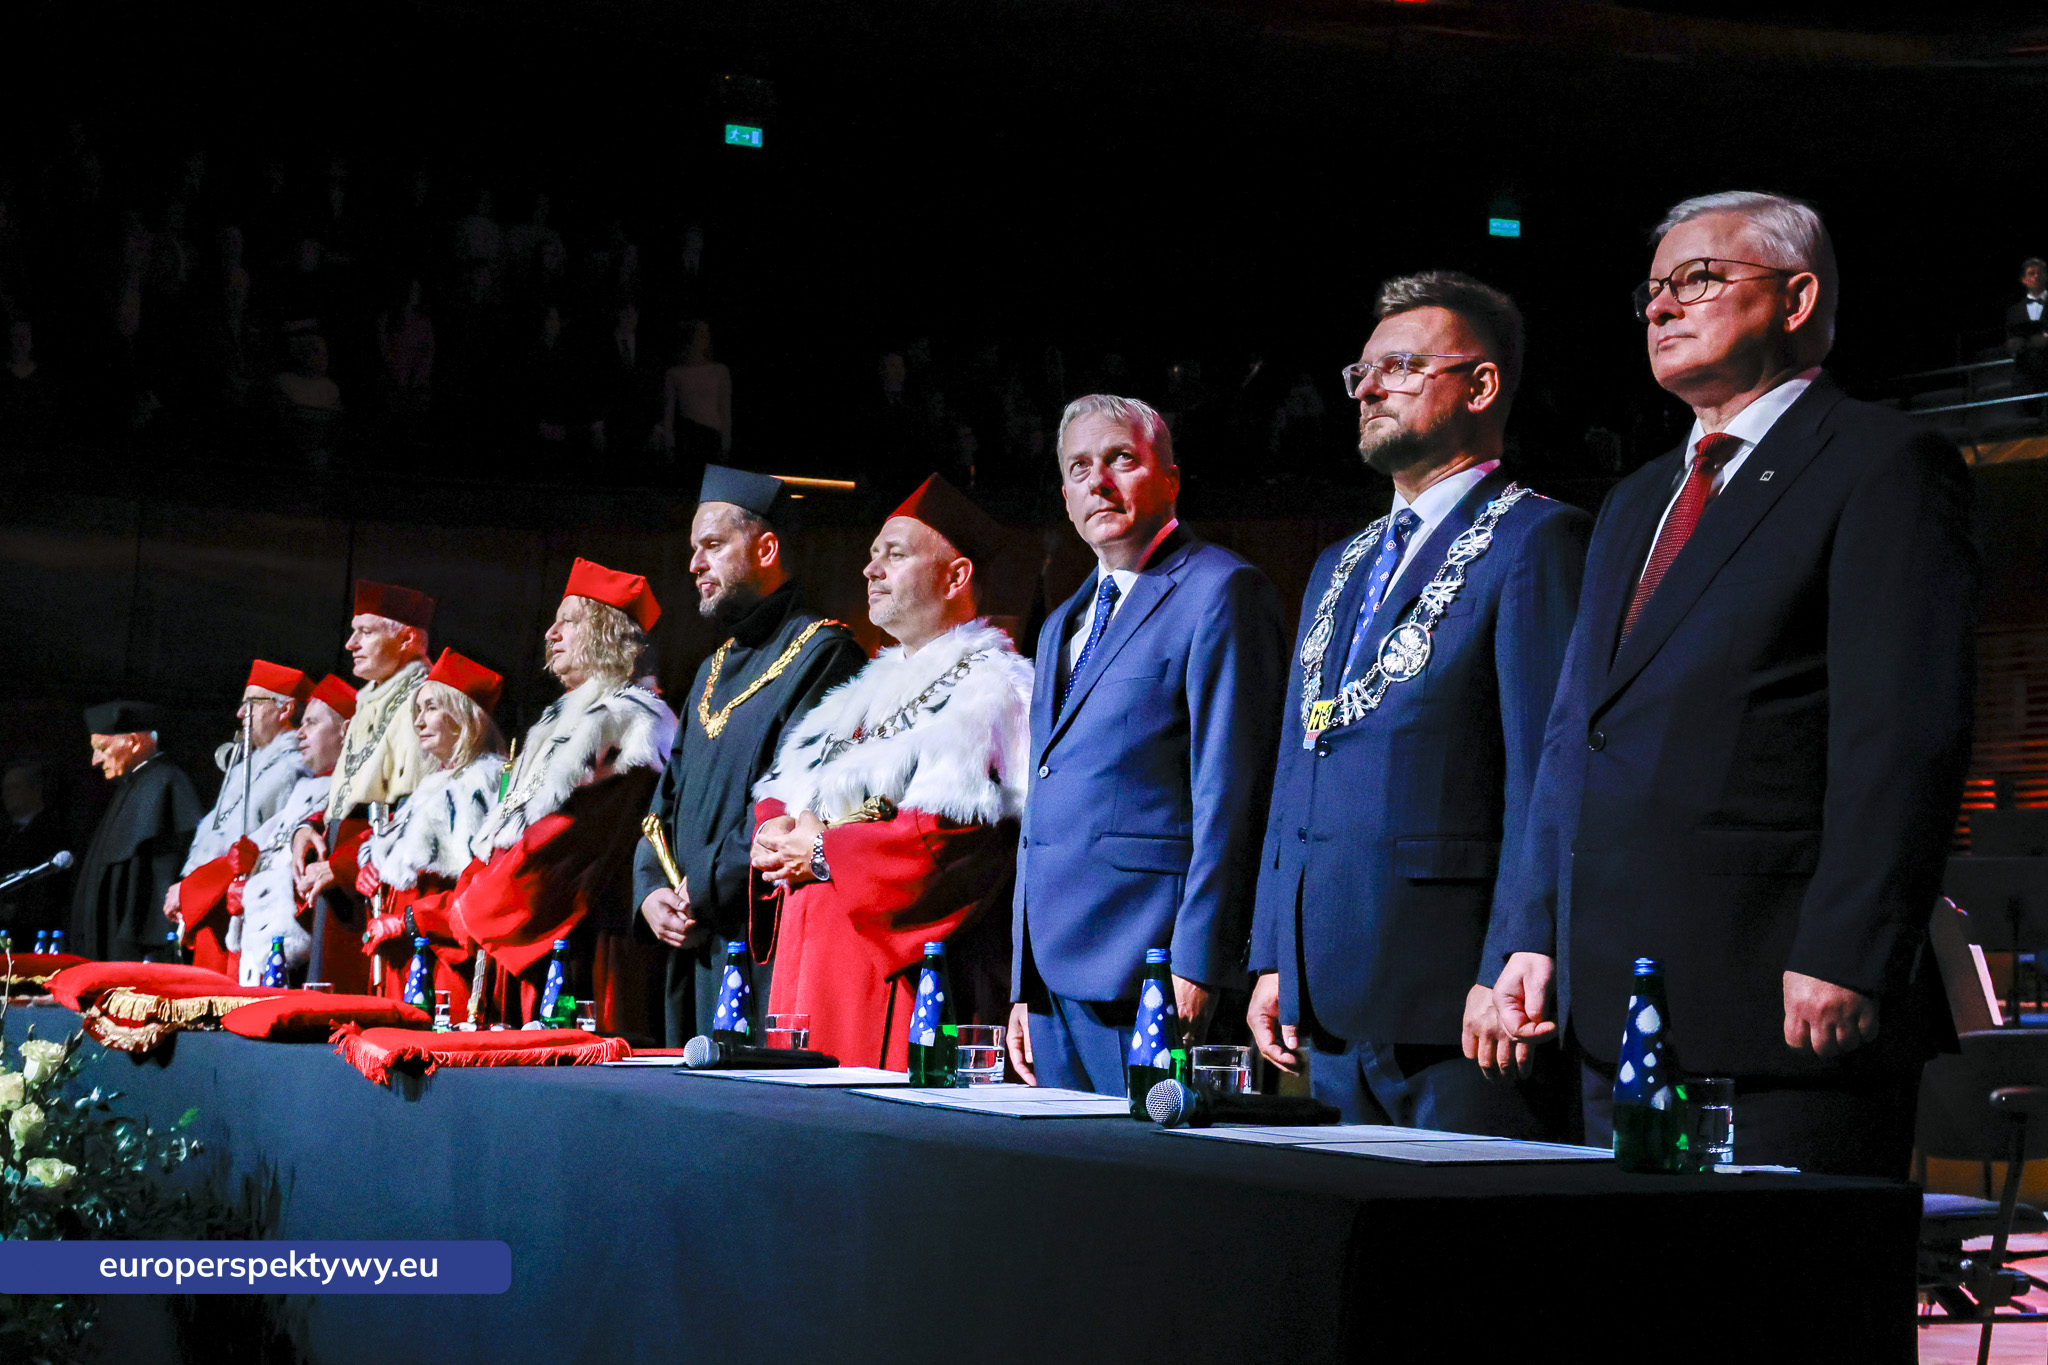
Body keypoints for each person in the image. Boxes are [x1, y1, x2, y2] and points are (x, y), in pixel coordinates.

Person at [1490, 191, 1979, 1177]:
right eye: (1653, 290)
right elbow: (1572, 736)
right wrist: (1530, 930)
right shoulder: (1633, 501)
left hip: (1779, 1004)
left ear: (1796, 298)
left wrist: (1847, 948)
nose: (1661, 307)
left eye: (1697, 279)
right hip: (1609, 1006)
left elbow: (1899, 733)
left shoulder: (1882, 463)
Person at [1245, 273, 1589, 1133]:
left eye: (1400, 365)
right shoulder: (1338, 561)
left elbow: (1549, 769)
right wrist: (1274, 951)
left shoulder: (1536, 537)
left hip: (1456, 994)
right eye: (1361, 373)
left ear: (1481, 385)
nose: (1371, 389)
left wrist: (1519, 946)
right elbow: (1300, 763)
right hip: (1324, 990)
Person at [1006, 395, 1286, 1093]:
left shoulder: (1221, 591)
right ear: (1066, 497)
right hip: (1053, 979)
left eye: (1120, 459)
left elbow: (1233, 794)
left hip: (1155, 967)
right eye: (1078, 468)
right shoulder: (1060, 622)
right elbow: (1042, 802)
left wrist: (1200, 961)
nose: (1098, 481)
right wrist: (1022, 979)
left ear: (1170, 479)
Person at [752, 475, 1030, 1069]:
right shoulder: (859, 692)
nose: (870, 571)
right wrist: (772, 832)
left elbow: (956, 840)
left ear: (955, 577)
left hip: (897, 983)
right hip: (809, 970)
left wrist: (825, 854)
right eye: (872, 555)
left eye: (895, 555)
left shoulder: (994, 691)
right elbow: (786, 788)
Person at [634, 466, 867, 1045]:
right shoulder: (713, 670)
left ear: (765, 548)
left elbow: (794, 805)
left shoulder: (824, 653)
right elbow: (661, 806)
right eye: (694, 549)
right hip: (690, 937)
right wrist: (650, 893)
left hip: (759, 941)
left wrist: (705, 886)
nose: (694, 565)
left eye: (711, 546)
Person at [452, 559, 676, 1030]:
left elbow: (571, 842)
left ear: (607, 631)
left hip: (576, 940)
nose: (550, 633)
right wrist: (474, 877)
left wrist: (474, 903)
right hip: (529, 933)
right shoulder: (559, 719)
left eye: (568, 621)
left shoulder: (629, 722)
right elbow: (515, 821)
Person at [290, 580, 434, 987]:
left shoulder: (424, 701)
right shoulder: (371, 698)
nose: (350, 644)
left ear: (406, 638)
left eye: (365, 632)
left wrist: (342, 863)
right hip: (339, 880)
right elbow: (350, 791)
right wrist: (309, 827)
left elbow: (416, 807)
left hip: (372, 883)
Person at [356, 649, 506, 1020]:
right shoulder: (430, 786)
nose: (419, 722)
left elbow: (478, 892)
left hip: (439, 961)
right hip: (399, 956)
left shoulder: (485, 784)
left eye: (432, 708)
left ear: (466, 715)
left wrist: (409, 920)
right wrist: (375, 874)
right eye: (417, 711)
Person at [168, 661, 314, 945]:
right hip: (210, 906)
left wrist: (192, 889)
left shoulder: (292, 769)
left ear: (285, 710)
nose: (239, 714)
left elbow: (266, 849)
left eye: (252, 704)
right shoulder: (245, 769)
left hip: (242, 915)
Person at [231, 676, 352, 985]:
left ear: (346, 729)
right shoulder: (306, 789)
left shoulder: (352, 798)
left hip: (303, 957)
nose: (300, 732)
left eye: (311, 723)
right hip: (260, 948)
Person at [67, 701, 201, 961]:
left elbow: (159, 877)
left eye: (102, 749)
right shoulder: (133, 783)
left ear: (133, 742)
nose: (95, 761)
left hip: (138, 947)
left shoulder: (165, 783)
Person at [0, 762, 69, 940]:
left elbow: (53, 888)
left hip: (36, 930)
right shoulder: (7, 834)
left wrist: (16, 910)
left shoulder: (54, 831)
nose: (7, 794)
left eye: (14, 788)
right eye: (5, 788)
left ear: (35, 790)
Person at [655, 320, 731, 464]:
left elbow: (725, 412)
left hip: (712, 439)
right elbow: (668, 414)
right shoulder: (675, 374)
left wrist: (725, 444)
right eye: (700, 334)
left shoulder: (719, 371)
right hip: (687, 440)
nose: (704, 338)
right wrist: (669, 446)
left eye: (706, 334)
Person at [2005, 257, 2048, 409]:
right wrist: (2013, 345)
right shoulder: (2014, 311)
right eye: (2031, 273)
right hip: (2027, 377)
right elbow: (2010, 341)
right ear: (2024, 280)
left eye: (2039, 273)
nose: (2036, 276)